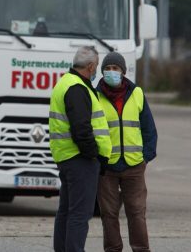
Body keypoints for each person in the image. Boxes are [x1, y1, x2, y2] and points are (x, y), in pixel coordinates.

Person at [49, 46, 112, 252]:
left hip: (67, 156)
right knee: (79, 214)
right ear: (91, 66)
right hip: (80, 160)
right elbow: (81, 129)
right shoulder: (77, 88)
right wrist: (94, 155)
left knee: (66, 211)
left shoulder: (65, 83)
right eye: (96, 67)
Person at [96, 52, 158, 252]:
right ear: (102, 71)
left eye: (115, 68)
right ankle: (113, 249)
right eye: (108, 69)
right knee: (109, 213)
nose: (111, 72)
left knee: (137, 212)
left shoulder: (137, 93)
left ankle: (141, 249)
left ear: (123, 71)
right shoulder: (95, 96)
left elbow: (149, 129)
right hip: (107, 167)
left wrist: (145, 157)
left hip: (134, 166)